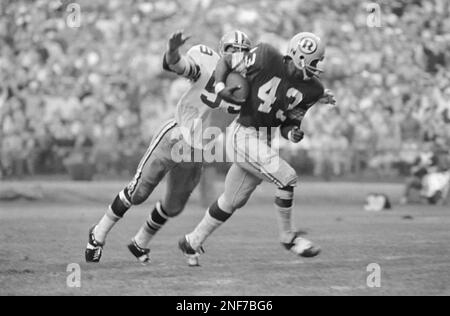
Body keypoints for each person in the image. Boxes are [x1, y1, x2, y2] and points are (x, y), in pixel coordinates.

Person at [85, 30, 252, 264]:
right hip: (174, 136)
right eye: (233, 50)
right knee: (138, 192)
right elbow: (178, 65)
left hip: (199, 150)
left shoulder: (250, 86)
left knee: (173, 206)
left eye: (243, 51)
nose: (238, 56)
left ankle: (140, 242)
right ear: (222, 50)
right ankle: (98, 233)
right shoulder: (206, 62)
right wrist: (173, 50)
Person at [179, 32, 336, 266]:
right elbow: (226, 61)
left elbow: (289, 123)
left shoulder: (313, 89)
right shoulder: (266, 56)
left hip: (263, 141)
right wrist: (221, 86)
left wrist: (292, 132)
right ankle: (289, 238)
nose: (318, 66)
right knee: (287, 178)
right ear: (301, 56)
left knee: (231, 201)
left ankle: (192, 240)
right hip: (243, 134)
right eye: (316, 60)